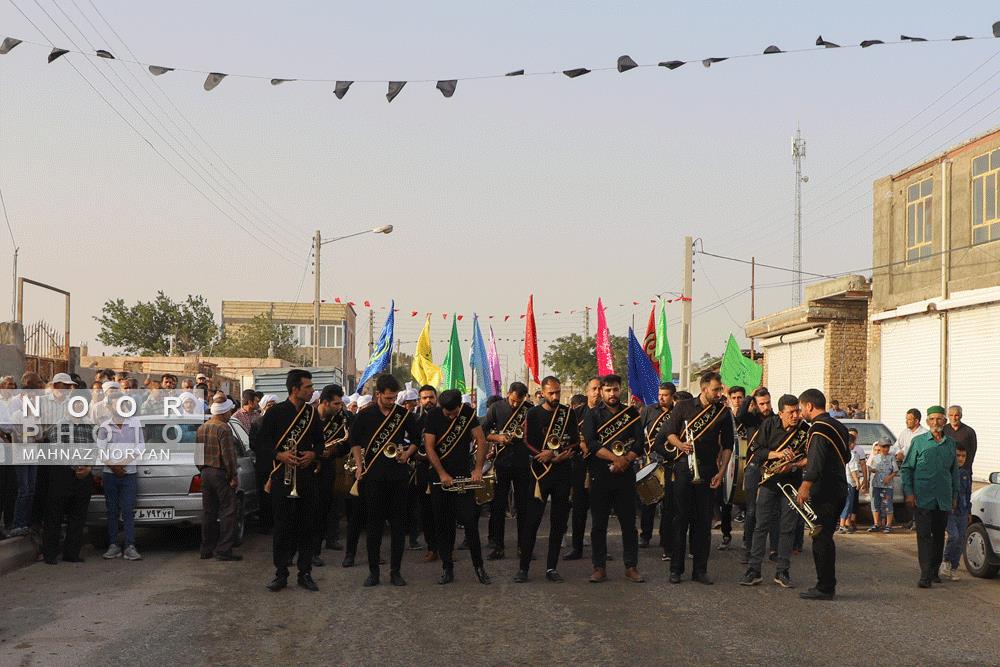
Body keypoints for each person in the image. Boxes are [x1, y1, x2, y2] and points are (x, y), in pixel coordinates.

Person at [660, 371, 734, 585]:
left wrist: (721, 472)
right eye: (716, 389)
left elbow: (728, 445)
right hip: (684, 468)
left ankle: (700, 570)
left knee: (703, 522)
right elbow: (669, 433)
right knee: (680, 519)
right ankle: (676, 569)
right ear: (704, 389)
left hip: (709, 469)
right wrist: (680, 445)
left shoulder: (722, 412)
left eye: (720, 389)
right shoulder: (683, 407)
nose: (719, 393)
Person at [348, 373, 422, 587]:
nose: (392, 402)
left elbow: (417, 438)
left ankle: (395, 571)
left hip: (398, 476)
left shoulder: (402, 414)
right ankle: (373, 572)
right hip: (373, 477)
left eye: (394, 398)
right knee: (374, 526)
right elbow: (354, 441)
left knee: (399, 526)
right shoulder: (365, 415)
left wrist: (407, 454)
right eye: (388, 398)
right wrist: (360, 466)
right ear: (378, 394)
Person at [258, 369, 325, 592]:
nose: (312, 390)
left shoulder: (312, 413)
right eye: (308, 387)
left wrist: (313, 455)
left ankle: (305, 573)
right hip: (282, 476)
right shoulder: (276, 413)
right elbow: (261, 444)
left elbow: (320, 443)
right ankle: (281, 573)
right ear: (295, 389)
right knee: (282, 527)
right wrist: (280, 455)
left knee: (307, 526)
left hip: (306, 477)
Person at [739, 394, 809, 589]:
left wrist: (793, 465)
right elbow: (756, 450)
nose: (795, 416)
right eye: (791, 412)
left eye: (797, 411)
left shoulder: (805, 430)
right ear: (781, 413)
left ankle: (782, 571)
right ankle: (754, 570)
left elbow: (811, 457)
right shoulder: (769, 424)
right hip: (769, 482)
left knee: (787, 528)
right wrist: (778, 454)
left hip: (791, 483)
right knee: (761, 525)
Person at [514, 376, 578, 583]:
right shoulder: (532, 414)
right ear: (542, 393)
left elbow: (575, 441)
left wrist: (557, 453)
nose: (555, 396)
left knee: (558, 522)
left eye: (558, 392)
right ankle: (523, 568)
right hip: (539, 474)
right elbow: (526, 441)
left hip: (562, 473)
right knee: (532, 522)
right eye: (551, 393)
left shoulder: (568, 414)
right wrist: (546, 455)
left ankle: (551, 567)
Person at [423, 389, 491, 585]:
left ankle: (479, 567)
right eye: (447, 413)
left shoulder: (467, 413)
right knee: (443, 525)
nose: (451, 416)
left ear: (459, 406)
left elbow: (481, 440)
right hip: (440, 477)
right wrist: (442, 473)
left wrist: (477, 469)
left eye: (454, 413)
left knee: (470, 522)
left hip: (463, 476)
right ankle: (447, 568)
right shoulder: (434, 415)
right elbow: (429, 447)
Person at [583, 374, 645, 584]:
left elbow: (639, 443)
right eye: (608, 390)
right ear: (601, 391)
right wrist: (614, 459)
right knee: (599, 524)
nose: (612, 394)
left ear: (621, 390)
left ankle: (631, 566)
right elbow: (591, 444)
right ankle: (599, 567)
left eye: (616, 389)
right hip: (601, 474)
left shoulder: (631, 413)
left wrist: (625, 460)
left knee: (629, 524)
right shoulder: (592, 415)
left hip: (625, 475)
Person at [795, 388, 850, 601]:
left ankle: (825, 587)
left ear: (809, 406)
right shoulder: (838, 426)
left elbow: (817, 463)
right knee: (827, 537)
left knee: (820, 538)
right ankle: (827, 584)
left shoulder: (817, 428)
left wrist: (805, 486)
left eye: (801, 409)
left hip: (824, 491)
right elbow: (842, 456)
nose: (801, 413)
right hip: (839, 487)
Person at [901, 405, 959, 589]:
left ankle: (934, 571)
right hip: (922, 497)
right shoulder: (919, 442)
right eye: (932, 419)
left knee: (939, 535)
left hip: (942, 498)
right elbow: (907, 468)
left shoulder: (950, 443)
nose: (936, 423)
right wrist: (909, 492)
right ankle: (925, 574)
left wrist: (954, 496)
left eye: (940, 419)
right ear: (927, 422)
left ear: (945, 421)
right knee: (924, 535)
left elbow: (954, 472)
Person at [38, 374, 94, 564]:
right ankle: (50, 554)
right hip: (62, 474)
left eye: (81, 404)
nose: (78, 407)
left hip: (83, 475)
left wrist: (88, 468)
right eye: (75, 404)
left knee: (78, 517)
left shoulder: (90, 426)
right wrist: (75, 466)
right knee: (54, 515)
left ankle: (72, 554)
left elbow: (95, 449)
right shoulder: (59, 425)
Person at [481, 382, 532, 561]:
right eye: (513, 400)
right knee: (498, 506)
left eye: (520, 401)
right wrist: (499, 437)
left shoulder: (529, 409)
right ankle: (498, 546)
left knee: (523, 507)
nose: (516, 404)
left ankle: (523, 547)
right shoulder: (496, 407)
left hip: (523, 463)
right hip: (502, 462)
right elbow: (483, 430)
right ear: (508, 393)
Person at [97, 384, 145, 561]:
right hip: (110, 474)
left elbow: (140, 447)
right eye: (115, 404)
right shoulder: (104, 426)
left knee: (127, 509)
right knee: (111, 511)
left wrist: (122, 464)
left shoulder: (135, 424)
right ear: (109, 406)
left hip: (129, 473)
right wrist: (114, 466)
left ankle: (130, 546)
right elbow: (101, 450)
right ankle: (113, 545)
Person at [735, 386, 779, 564]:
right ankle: (748, 547)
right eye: (761, 403)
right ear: (756, 404)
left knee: (774, 511)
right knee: (752, 510)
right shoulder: (751, 419)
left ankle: (775, 548)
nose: (766, 406)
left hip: (773, 467)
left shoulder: (777, 420)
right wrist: (749, 398)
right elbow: (738, 416)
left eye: (767, 402)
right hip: (754, 467)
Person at [196, 396, 243, 562]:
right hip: (220, 473)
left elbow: (197, 456)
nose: (231, 412)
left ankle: (206, 549)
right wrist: (233, 475)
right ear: (224, 412)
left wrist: (203, 470)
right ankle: (223, 549)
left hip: (205, 473)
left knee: (208, 512)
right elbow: (228, 455)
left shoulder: (202, 428)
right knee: (228, 511)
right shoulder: (224, 428)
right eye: (230, 410)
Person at [313, 384, 351, 567]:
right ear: (325, 402)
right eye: (336, 404)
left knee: (327, 507)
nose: (339, 407)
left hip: (328, 468)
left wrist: (334, 451)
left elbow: (347, 442)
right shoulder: (308, 417)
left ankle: (318, 549)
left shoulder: (341, 419)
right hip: (309, 467)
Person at [565, 377, 601, 561]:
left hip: (601, 465)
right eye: (594, 388)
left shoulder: (608, 413)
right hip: (580, 465)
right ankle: (576, 548)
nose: (597, 392)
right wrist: (580, 442)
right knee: (578, 510)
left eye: (600, 388)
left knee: (599, 511)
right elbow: (567, 436)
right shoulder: (576, 413)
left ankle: (600, 549)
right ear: (587, 391)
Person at [639, 382, 676, 560]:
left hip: (670, 460)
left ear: (673, 396)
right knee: (649, 499)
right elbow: (639, 432)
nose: (661, 398)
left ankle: (665, 538)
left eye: (666, 395)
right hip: (651, 458)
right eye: (660, 394)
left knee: (668, 503)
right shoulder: (649, 410)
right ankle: (645, 536)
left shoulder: (677, 412)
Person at [941, 445, 972, 581]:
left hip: (963, 511)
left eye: (963, 456)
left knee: (960, 540)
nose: (960, 459)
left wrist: (969, 511)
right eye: (958, 455)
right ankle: (946, 560)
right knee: (954, 536)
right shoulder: (947, 472)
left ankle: (954, 567)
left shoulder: (965, 474)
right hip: (950, 511)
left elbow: (968, 493)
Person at [249, 394, 279, 534]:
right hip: (264, 464)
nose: (272, 407)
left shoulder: (281, 421)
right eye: (269, 404)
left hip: (279, 463)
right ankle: (265, 525)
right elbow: (254, 444)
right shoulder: (257, 422)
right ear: (264, 406)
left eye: (274, 404)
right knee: (264, 495)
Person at [838, 429, 867, 534]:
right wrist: (858, 481)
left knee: (846, 504)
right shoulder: (852, 455)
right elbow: (854, 470)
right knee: (848, 504)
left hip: (843, 481)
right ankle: (842, 525)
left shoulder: (841, 453)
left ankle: (843, 523)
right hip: (850, 483)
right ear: (851, 444)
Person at [867, 437, 897, 533]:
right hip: (877, 484)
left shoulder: (891, 457)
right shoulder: (875, 458)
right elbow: (872, 468)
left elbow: (895, 470)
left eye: (887, 446)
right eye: (884, 446)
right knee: (876, 504)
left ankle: (888, 525)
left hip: (887, 486)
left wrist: (889, 477)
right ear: (879, 447)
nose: (886, 449)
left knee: (888, 504)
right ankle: (876, 523)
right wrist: (871, 470)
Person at [944, 405, 977, 472]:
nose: (954, 418)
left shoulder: (969, 431)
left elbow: (972, 452)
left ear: (961, 416)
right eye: (951, 415)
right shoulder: (943, 430)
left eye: (956, 415)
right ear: (948, 416)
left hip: (964, 470)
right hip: (947, 469)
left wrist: (965, 468)